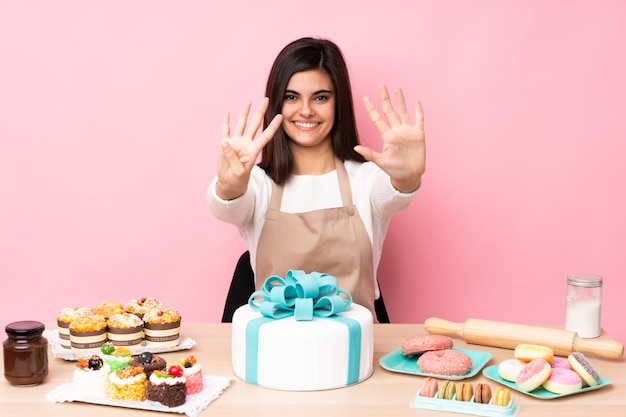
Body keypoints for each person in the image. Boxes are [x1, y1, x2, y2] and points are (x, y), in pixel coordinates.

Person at [207, 37, 425, 322]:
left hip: (354, 353)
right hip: (274, 352)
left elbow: (395, 195)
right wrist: (230, 184)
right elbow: (226, 206)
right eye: (292, 97)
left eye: (321, 97)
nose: (306, 110)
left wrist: (407, 178)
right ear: (277, 103)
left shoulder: (367, 178)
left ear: (338, 103)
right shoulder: (258, 183)